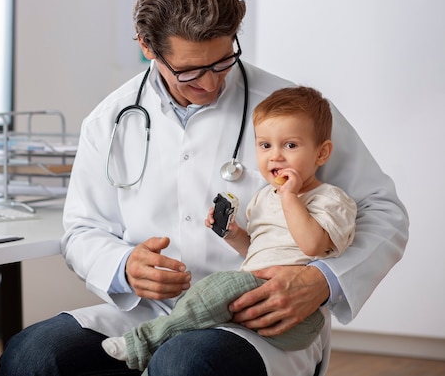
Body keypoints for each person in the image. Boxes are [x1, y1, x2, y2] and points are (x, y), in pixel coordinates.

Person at [0, 0, 408, 376]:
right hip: (149, 314)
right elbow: (82, 230)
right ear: (147, 47)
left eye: (223, 60)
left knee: (185, 364)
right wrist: (123, 267)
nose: (210, 85)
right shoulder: (109, 120)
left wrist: (324, 280)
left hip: (261, 316)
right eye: (190, 71)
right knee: (31, 357)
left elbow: (383, 210)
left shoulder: (292, 111)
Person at [100, 86, 358, 372]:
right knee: (193, 318)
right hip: (254, 297)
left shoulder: (330, 199)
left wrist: (290, 197)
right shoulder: (264, 197)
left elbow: (313, 246)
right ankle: (155, 354)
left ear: (322, 153)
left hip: (294, 313)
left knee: (212, 288)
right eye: (265, 145)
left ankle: (142, 341)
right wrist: (233, 234)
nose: (275, 157)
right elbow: (256, 250)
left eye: (290, 146)